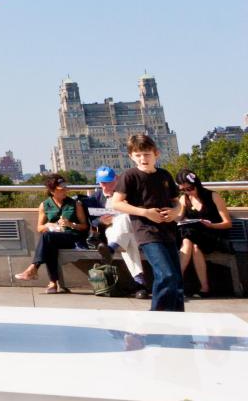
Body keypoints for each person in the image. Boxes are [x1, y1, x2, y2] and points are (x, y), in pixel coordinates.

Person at [111, 133, 184, 312]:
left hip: (168, 230)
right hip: (146, 231)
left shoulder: (165, 175)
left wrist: (175, 211)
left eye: (146, 154)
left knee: (176, 277)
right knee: (165, 274)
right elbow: (117, 203)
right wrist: (145, 212)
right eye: (138, 155)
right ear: (131, 156)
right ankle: (157, 316)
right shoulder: (129, 176)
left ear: (156, 154)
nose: (143, 158)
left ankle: (177, 318)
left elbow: (177, 200)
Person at [13, 173, 88, 293]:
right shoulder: (44, 205)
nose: (65, 190)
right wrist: (49, 226)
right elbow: (39, 227)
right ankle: (53, 282)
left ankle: (35, 269)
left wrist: (71, 224)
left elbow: (84, 226)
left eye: (65, 188)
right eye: (61, 189)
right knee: (49, 242)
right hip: (54, 237)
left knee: (47, 238)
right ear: (52, 191)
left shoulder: (75, 204)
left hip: (72, 237)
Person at [88, 166, 147, 298]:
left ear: (116, 180)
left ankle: (111, 250)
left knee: (124, 218)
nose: (106, 186)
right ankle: (140, 283)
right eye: (103, 183)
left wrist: (127, 207)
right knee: (128, 240)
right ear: (98, 182)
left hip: (132, 229)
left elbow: (140, 212)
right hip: (112, 232)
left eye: (109, 182)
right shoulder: (96, 198)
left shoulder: (127, 194)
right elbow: (92, 221)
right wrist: (102, 221)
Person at [177, 170, 231, 299]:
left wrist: (211, 225)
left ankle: (175, 281)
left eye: (189, 188)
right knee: (191, 242)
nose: (187, 192)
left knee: (189, 238)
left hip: (214, 234)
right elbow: (178, 218)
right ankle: (204, 288)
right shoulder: (184, 199)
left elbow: (227, 223)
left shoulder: (213, 196)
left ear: (197, 184)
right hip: (195, 238)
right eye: (183, 190)